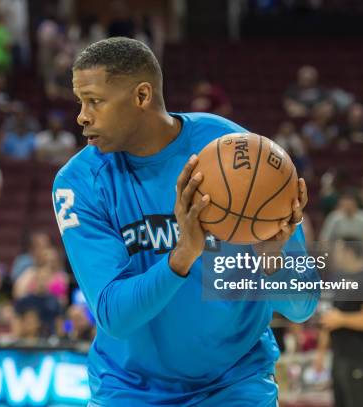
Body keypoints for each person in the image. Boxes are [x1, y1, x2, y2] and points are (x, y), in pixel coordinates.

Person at [52, 37, 318, 406]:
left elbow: (302, 306)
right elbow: (114, 315)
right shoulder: (78, 183)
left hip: (235, 383)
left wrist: (271, 255)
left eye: (95, 101)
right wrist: (182, 254)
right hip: (129, 388)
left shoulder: (237, 152)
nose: (82, 115)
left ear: (142, 96)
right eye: (81, 101)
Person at [314, 239, 363, 407]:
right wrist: (321, 352)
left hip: (357, 354)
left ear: (349, 252)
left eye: (338, 250)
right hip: (338, 354)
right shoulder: (338, 278)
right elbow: (330, 317)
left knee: (359, 401)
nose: (334, 255)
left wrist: (342, 319)